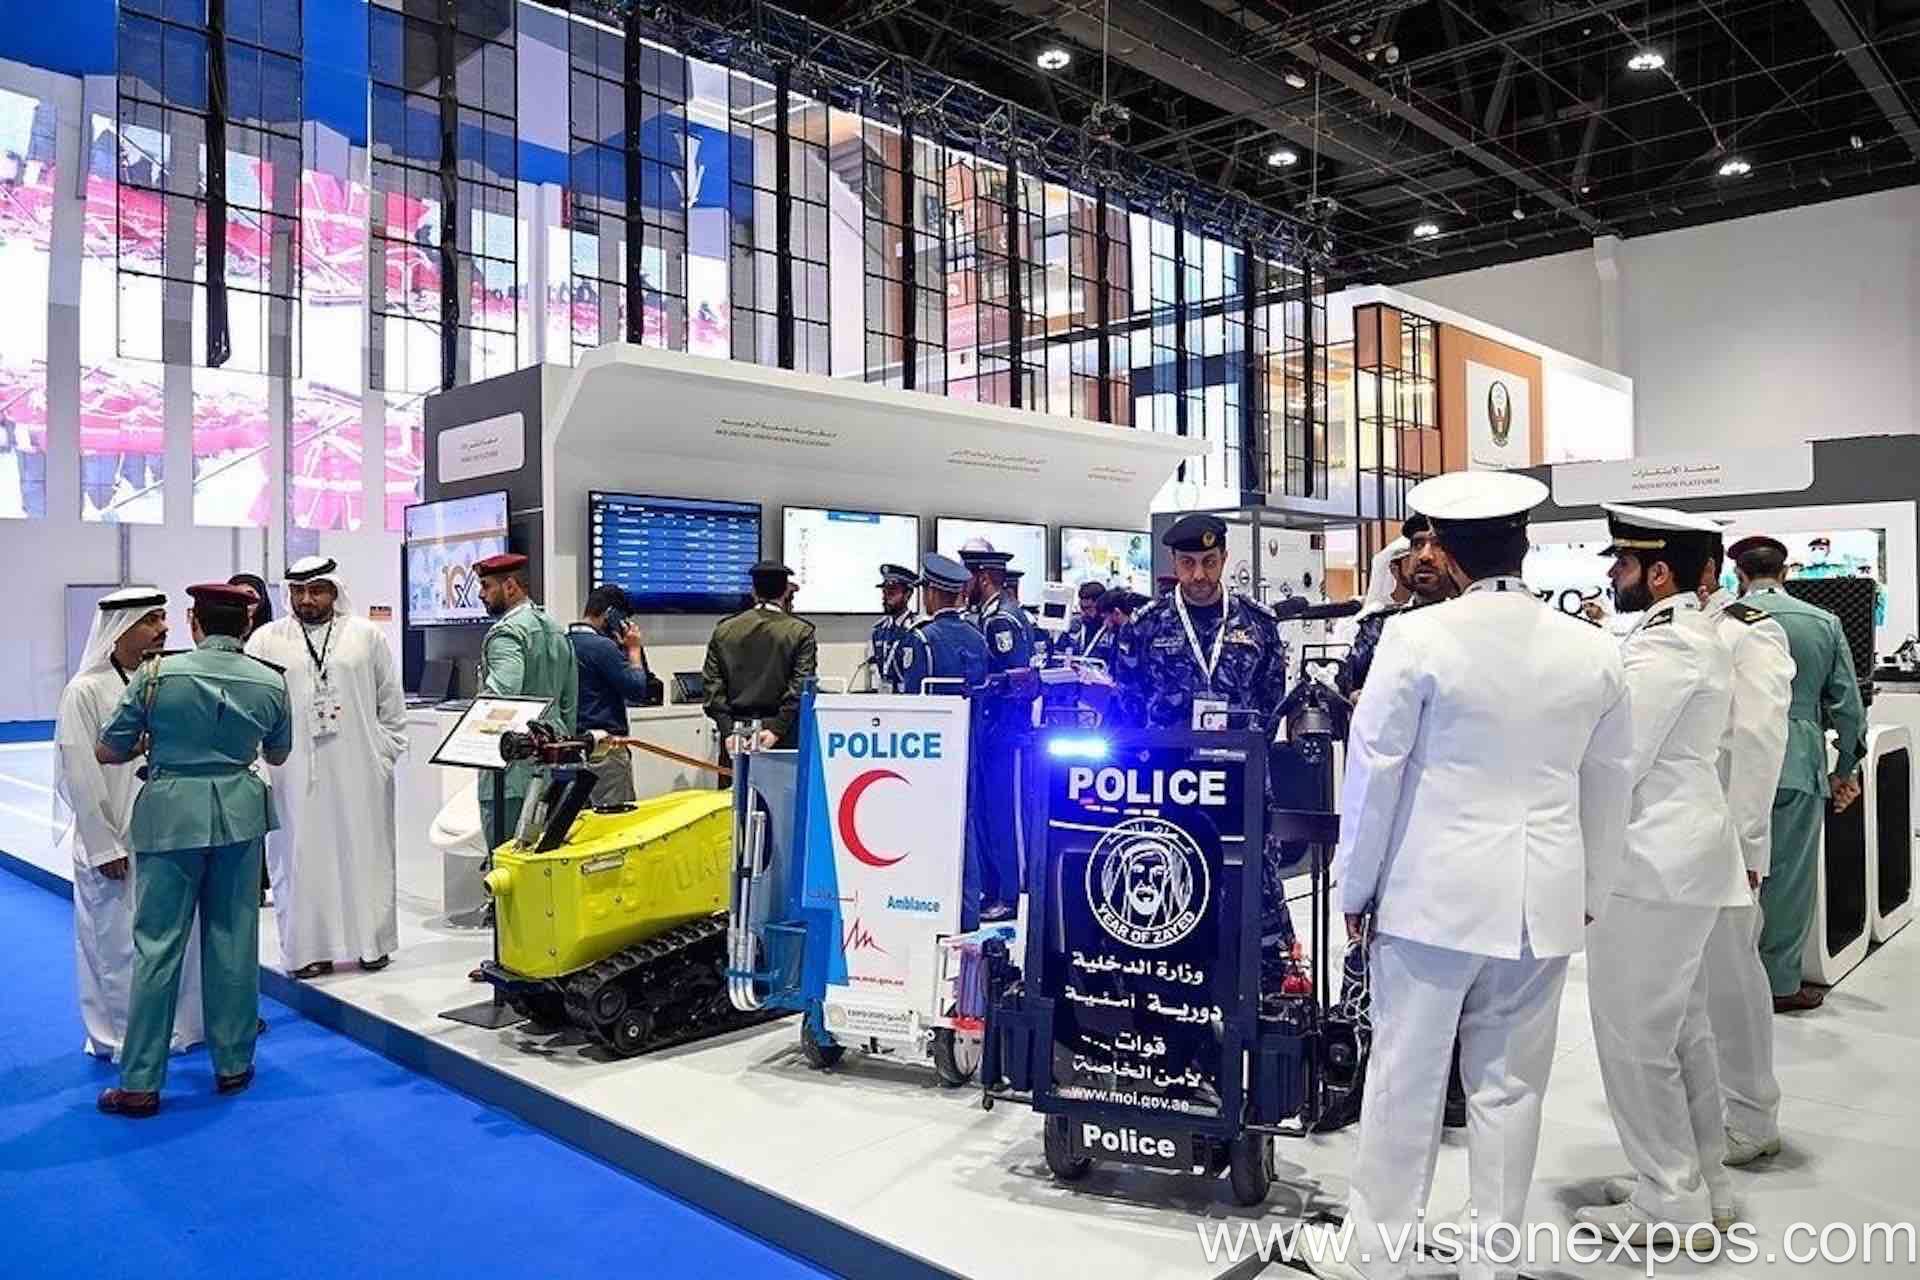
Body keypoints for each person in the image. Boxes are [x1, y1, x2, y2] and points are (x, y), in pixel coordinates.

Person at [1302, 473, 1633, 1280]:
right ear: (1525, 546)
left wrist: (1355, 886)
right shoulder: (1594, 648)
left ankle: (1375, 1255)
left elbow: (1375, 772)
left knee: (1405, 1082)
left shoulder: (1417, 639)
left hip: (1431, 899)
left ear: (1444, 553)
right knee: (1511, 1090)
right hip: (1540, 902)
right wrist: (1590, 892)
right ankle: (1494, 1259)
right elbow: (1610, 780)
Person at [1578, 505, 1747, 1244]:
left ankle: (1667, 1199)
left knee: (1633, 1036)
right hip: (1682, 859)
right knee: (1680, 1030)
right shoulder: (1688, 636)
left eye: (1622, 563)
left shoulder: (1664, 648)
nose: (1613, 576)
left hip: (1651, 864)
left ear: (1657, 573)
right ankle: (1702, 1182)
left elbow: (1618, 762)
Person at [93, 583, 293, 1118]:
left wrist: (149, 743)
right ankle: (233, 1064)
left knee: (158, 947)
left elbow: (108, 749)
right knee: (233, 939)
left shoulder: (157, 675)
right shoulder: (271, 680)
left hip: (170, 818)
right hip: (240, 817)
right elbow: (278, 753)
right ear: (246, 625)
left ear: (194, 623)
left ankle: (140, 1082)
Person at [54, 588, 204, 1061]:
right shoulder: (86, 690)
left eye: (163, 618)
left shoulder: (168, 679)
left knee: (177, 938)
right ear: (119, 630)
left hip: (171, 833)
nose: (164, 628)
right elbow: (79, 771)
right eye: (151, 620)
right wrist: (103, 845)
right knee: (115, 944)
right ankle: (123, 1038)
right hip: (115, 839)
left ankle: (180, 1027)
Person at [246, 556, 408, 980]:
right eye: (298, 591)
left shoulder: (365, 636)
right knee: (300, 857)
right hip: (291, 771)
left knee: (366, 851)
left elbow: (391, 702)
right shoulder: (266, 641)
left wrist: (383, 755)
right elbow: (254, 707)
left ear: (334, 591)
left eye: (316, 590)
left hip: (360, 768)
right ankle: (308, 950)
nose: (307, 599)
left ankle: (372, 943)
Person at [1725, 536, 1866, 1011]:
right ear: (1784, 573)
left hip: (1732, 758)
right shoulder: (1822, 622)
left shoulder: (1722, 620)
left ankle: (1725, 980)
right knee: (1788, 879)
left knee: (1729, 873)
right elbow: (1848, 706)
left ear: (1740, 576)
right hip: (1797, 759)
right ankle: (1779, 984)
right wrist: (1845, 769)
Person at [1699, 531, 1795, 1170]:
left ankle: (1754, 1116)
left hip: (1726, 841)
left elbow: (1758, 743)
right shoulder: (1689, 628)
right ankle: (1715, 1115)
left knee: (1732, 981)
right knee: (1696, 990)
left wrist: (1748, 845)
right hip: (1687, 841)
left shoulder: (1749, 631)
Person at [475, 552, 579, 840]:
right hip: (553, 766)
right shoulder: (556, 630)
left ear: (510, 586)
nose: (481, 594)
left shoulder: (506, 634)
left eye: (486, 586)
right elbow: (569, 705)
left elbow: (499, 703)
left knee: (505, 860)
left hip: (511, 772)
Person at [703, 561, 818, 768]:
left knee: (733, 787)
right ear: (785, 591)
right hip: (782, 737)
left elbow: (712, 686)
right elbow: (801, 687)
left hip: (734, 736)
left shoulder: (724, 629)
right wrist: (776, 729)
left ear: (753, 591)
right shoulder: (801, 632)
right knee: (781, 789)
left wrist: (728, 730)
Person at [569, 584, 651, 806]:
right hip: (605, 750)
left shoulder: (564, 642)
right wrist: (633, 650)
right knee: (615, 819)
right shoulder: (602, 647)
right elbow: (637, 690)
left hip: (571, 747)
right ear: (610, 614)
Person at [896, 552, 989, 696]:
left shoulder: (921, 638)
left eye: (924, 591)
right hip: (972, 711)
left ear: (931, 593)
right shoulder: (977, 635)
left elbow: (913, 695)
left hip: (934, 711)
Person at [960, 544, 1036, 673]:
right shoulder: (1008, 607)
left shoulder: (999, 619)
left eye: (968, 581)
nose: (964, 587)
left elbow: (1005, 671)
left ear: (984, 580)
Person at [867, 563, 920, 693]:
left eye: (891, 593)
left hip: (909, 698)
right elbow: (874, 669)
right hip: (884, 698)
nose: (885, 598)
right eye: (884, 592)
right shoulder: (878, 631)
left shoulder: (916, 631)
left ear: (908, 594)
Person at [1062, 581, 1108, 655]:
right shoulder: (1074, 625)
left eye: (1088, 608)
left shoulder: (1111, 630)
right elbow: (1058, 651)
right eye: (1082, 608)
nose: (1083, 613)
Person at [227, 572, 273, 639]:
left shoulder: (273, 635)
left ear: (262, 598)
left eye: (250, 594)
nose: (244, 601)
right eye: (237, 595)